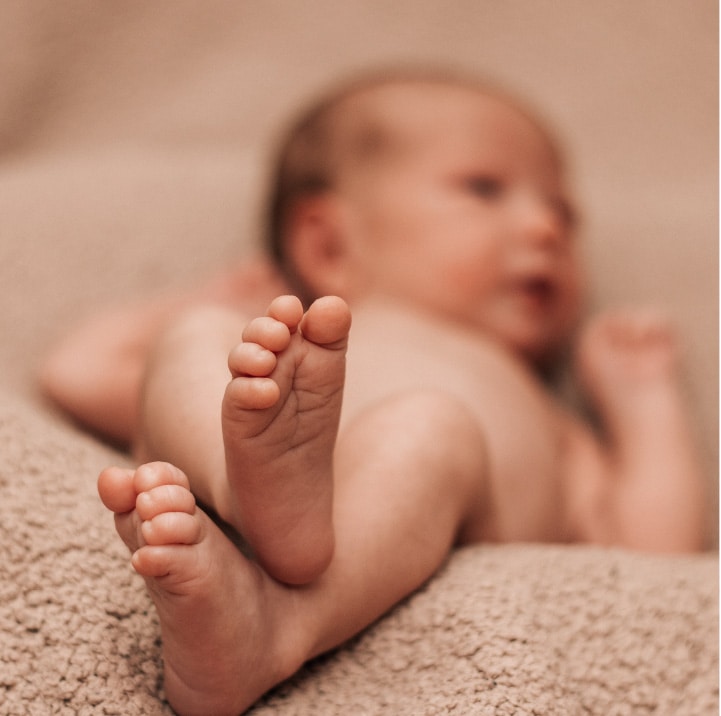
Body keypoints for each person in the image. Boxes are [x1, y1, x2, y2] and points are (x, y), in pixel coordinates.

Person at [40, 69, 707, 716]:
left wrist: (642, 401)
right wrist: (203, 300)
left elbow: (648, 556)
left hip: (413, 502)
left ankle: (273, 625)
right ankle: (240, 478)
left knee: (429, 427)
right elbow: (78, 370)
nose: (545, 229)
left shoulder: (542, 412)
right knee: (193, 336)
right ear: (327, 244)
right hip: (252, 443)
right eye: (483, 188)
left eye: (561, 211)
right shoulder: (276, 343)